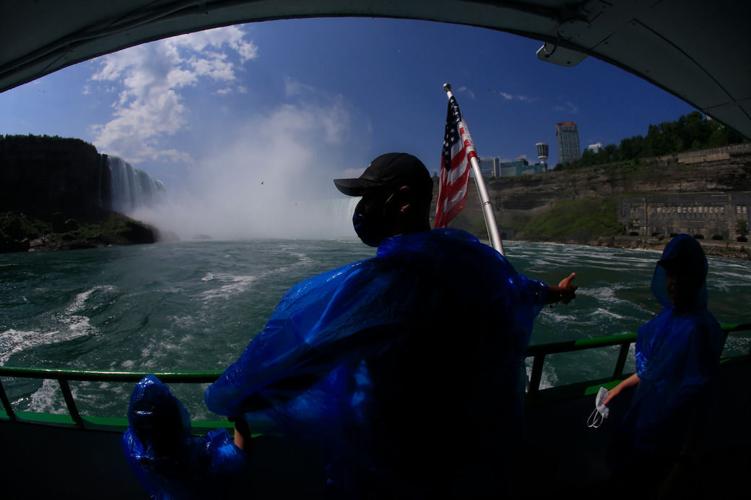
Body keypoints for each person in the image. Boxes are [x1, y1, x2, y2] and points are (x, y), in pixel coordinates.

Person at [204, 152, 577, 497]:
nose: (362, 209)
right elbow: (519, 290)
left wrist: (224, 397)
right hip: (474, 458)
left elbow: (284, 354)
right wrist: (555, 292)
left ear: (402, 201)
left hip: (393, 469)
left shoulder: (381, 285)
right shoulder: (477, 263)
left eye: (368, 198)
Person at [603, 234, 725, 498]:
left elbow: (700, 400)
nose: (674, 283)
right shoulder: (668, 319)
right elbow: (656, 370)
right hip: (644, 428)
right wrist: (620, 388)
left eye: (682, 274)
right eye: (670, 274)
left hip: (669, 442)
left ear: (696, 278)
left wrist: (682, 464)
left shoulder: (699, 329)